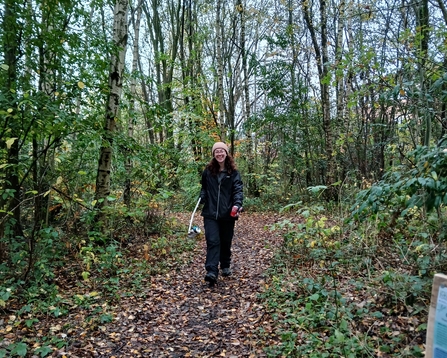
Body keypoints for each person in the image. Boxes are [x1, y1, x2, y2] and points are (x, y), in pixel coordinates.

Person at [199, 141, 243, 285]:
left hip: (227, 213)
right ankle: (211, 271)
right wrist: (202, 196)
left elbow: (238, 190)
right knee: (213, 241)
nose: (219, 153)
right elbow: (204, 188)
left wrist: (237, 204)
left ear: (226, 153)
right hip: (210, 213)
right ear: (213, 154)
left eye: (221, 151)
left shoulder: (233, 173)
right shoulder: (208, 171)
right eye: (216, 151)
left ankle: (225, 265)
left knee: (225, 241)